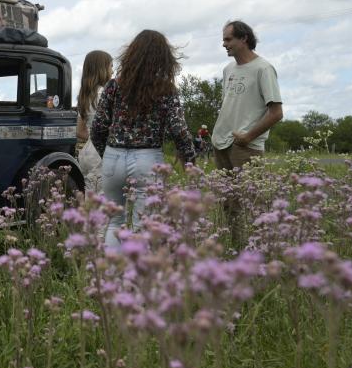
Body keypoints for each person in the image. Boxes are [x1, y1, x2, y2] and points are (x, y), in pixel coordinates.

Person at [90, 30, 196, 247]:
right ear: (164, 58)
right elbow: (179, 129)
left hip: (114, 155)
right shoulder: (167, 89)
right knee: (145, 223)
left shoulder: (113, 86)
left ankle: (112, 275)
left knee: (113, 221)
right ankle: (140, 277)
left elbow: (98, 127)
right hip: (148, 159)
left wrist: (107, 153)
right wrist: (189, 158)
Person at [211, 20, 283, 170]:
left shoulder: (263, 69)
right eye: (223, 40)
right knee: (222, 193)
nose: (224, 44)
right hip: (221, 144)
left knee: (248, 193)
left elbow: (276, 113)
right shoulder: (228, 69)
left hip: (246, 147)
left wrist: (247, 137)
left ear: (244, 38)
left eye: (228, 39)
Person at [75, 50, 113, 194]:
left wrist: (92, 136)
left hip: (87, 154)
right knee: (105, 204)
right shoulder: (106, 94)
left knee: (90, 201)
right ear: (102, 69)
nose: (113, 71)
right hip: (103, 154)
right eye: (111, 66)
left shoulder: (85, 97)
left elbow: (79, 131)